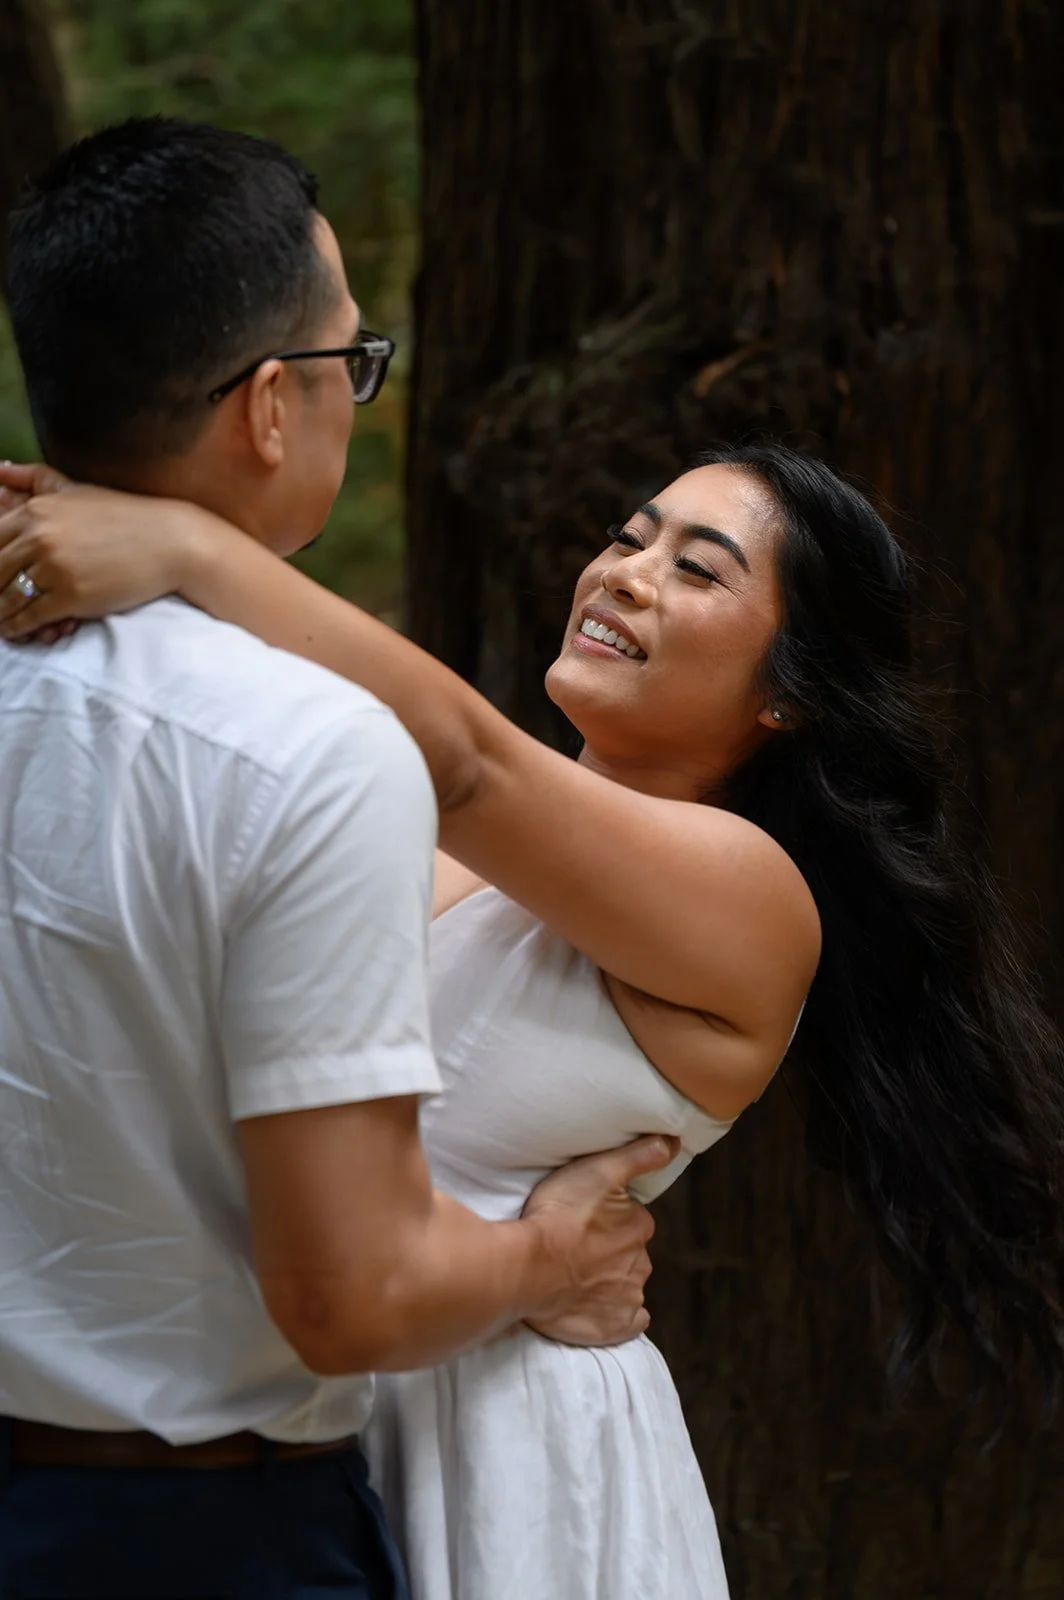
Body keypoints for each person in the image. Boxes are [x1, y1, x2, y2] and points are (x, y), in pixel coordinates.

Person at [4, 433, 1064, 1600]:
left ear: (788, 694)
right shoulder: (427, 842)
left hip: (504, 1447)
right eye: (628, 535)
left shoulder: (752, 898)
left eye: (697, 569)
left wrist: (182, 546)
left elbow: (469, 764)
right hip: (307, 1397)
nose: (623, 570)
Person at [0, 119, 681, 1600]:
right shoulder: (308, 753)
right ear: (267, 408)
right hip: (188, 1539)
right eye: (352, 364)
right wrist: (547, 1260)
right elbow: (349, 1292)